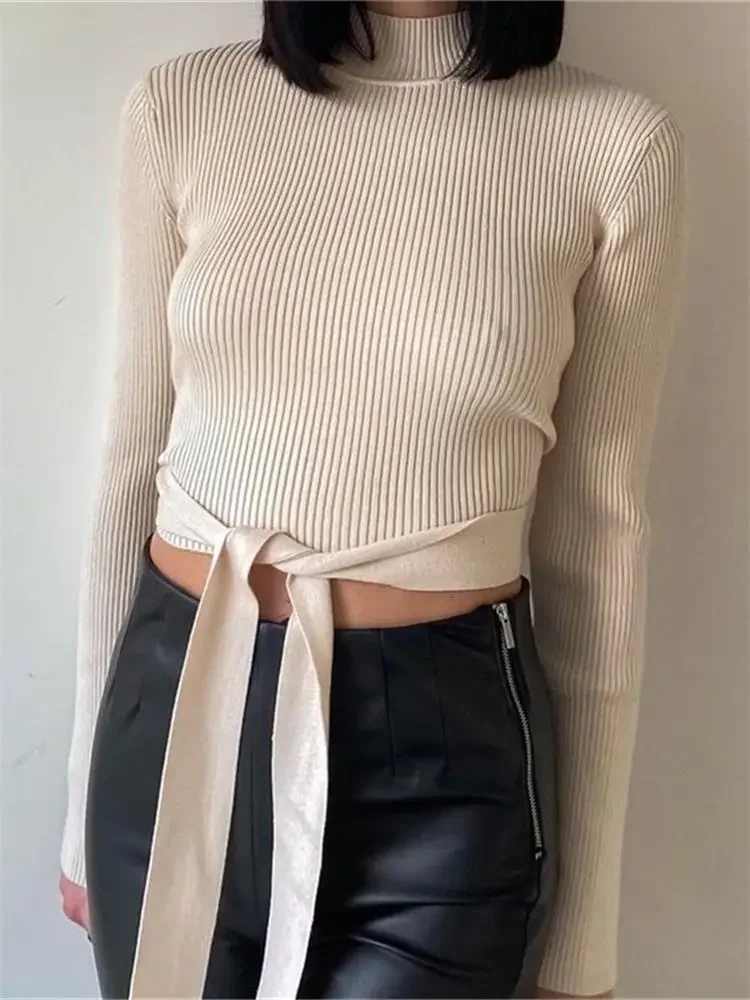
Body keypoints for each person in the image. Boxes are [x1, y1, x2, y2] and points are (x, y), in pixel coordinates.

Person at [58, 0, 689, 997]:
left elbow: (600, 534)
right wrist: (80, 811)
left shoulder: (612, 145)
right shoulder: (183, 108)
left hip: (442, 771)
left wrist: (588, 924)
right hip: (174, 721)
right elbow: (131, 462)